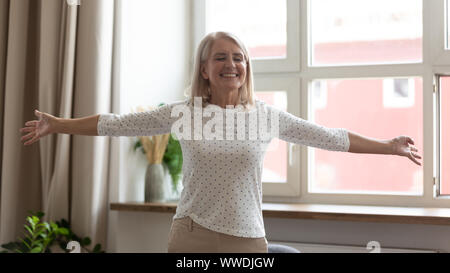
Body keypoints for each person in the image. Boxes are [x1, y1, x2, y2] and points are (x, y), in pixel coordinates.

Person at [19, 32, 422, 253]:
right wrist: (59, 125)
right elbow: (117, 124)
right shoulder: (185, 112)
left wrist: (388, 146)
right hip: (192, 234)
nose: (231, 64)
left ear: (247, 67)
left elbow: (330, 138)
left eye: (239, 57)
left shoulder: (266, 117)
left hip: (249, 236)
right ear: (205, 69)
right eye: (221, 58)